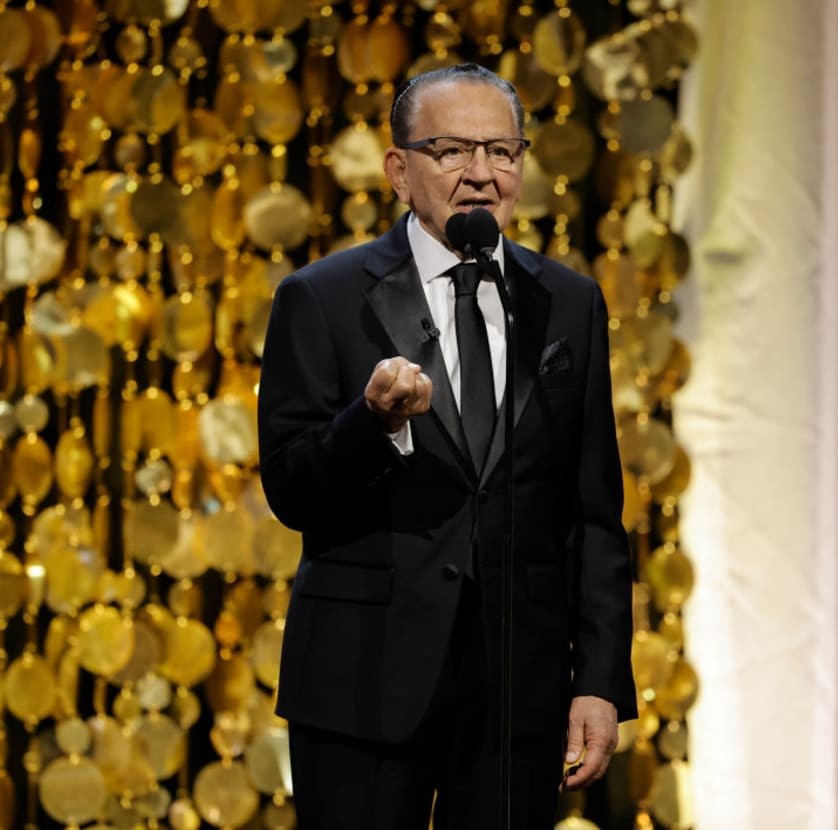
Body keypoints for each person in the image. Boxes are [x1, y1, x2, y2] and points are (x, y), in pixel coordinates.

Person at [257, 62, 636, 829]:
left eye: (502, 152)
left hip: (515, 691)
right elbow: (291, 489)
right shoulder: (322, 298)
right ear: (399, 170)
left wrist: (597, 679)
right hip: (363, 681)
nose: (481, 174)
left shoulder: (568, 303)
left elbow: (592, 511)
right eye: (452, 151)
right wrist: (371, 422)